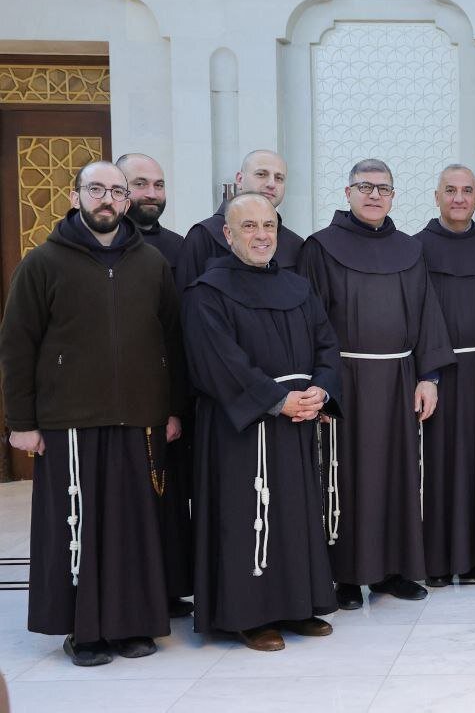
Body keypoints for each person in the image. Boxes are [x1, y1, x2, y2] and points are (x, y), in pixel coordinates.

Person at [0, 161, 183, 665]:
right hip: (68, 423)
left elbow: (171, 340)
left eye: (117, 192)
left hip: (140, 419)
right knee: (75, 525)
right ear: (77, 195)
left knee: (133, 528)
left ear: (127, 203)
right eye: (96, 189)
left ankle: (132, 626)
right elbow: (17, 347)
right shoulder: (42, 264)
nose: (108, 199)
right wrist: (21, 422)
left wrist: (172, 410)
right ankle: (83, 631)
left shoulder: (152, 264)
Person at [184, 192, 342, 651]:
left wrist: (322, 389)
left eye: (268, 226)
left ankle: (298, 605)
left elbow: (326, 343)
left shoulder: (298, 286)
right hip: (242, 428)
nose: (261, 235)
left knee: (294, 515)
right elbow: (219, 362)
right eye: (249, 227)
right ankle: (248, 615)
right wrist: (278, 401)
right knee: (247, 514)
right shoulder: (208, 292)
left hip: (296, 421)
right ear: (228, 234)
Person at [299, 159, 455, 608]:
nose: (374, 195)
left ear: (393, 196)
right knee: (345, 476)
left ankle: (393, 570)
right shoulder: (321, 248)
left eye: (383, 189)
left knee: (397, 475)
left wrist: (429, 376)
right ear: (347, 192)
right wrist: (321, 383)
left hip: (399, 379)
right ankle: (345, 575)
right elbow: (311, 322)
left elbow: (427, 314)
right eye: (365, 187)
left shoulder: (410, 249)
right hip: (344, 380)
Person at [414, 165, 475, 587]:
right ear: (436, 197)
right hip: (437, 376)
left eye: (466, 191)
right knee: (437, 466)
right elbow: (414, 315)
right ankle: (436, 560)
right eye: (450, 191)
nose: (458, 198)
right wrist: (426, 372)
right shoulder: (414, 249)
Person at [117, 152, 194, 618]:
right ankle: (129, 599)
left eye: (159, 185)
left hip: (166, 400)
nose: (151, 193)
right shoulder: (94, 247)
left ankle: (166, 590)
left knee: (166, 501)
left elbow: (182, 330)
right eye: (140, 183)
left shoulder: (179, 248)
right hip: (111, 404)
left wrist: (178, 405)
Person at [176, 149, 304, 290]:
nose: (271, 184)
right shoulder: (203, 236)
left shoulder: (295, 244)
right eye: (261, 174)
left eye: (279, 178)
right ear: (239, 179)